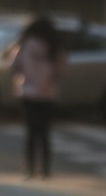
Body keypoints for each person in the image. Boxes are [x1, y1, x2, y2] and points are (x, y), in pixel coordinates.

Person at [11, 16, 67, 179]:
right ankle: (45, 169)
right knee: (45, 132)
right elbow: (61, 69)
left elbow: (15, 65)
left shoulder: (26, 44)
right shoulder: (55, 46)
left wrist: (26, 76)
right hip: (48, 94)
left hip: (28, 92)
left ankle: (30, 169)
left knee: (31, 132)